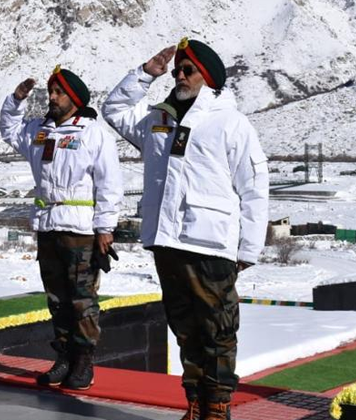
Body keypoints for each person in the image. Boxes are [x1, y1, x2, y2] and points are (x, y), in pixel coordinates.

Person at [102, 38, 269, 420]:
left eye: (187, 69)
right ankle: (195, 400)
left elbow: (254, 188)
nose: (179, 75)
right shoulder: (158, 120)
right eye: (177, 69)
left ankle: (218, 405)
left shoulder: (230, 123)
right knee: (184, 329)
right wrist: (144, 75)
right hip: (167, 241)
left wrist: (248, 250)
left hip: (210, 245)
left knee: (218, 331)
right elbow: (114, 109)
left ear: (207, 78)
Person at [0, 66, 123, 390]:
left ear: (75, 99)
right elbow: (9, 130)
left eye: (59, 93)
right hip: (47, 226)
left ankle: (83, 362)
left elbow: (109, 184)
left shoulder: (93, 133)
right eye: (51, 92)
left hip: (80, 231)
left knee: (82, 300)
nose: (52, 98)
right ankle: (64, 357)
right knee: (57, 299)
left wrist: (105, 229)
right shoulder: (39, 131)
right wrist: (16, 100)